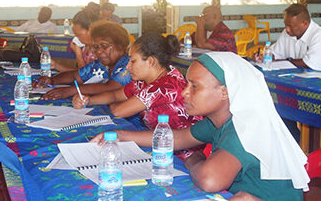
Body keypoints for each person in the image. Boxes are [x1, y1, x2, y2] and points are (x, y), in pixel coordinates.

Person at [91, 52, 309, 201]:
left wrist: (192, 159)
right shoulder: (219, 120)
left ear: (224, 92)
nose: (184, 92)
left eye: (194, 86)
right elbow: (178, 137)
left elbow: (209, 179)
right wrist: (120, 135)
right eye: (187, 84)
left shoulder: (245, 127)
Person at [73, 34, 204, 160]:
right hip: (159, 142)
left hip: (183, 153)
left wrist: (114, 104)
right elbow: (115, 95)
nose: (128, 66)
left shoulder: (165, 85)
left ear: (151, 61)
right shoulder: (143, 81)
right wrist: (88, 100)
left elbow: (118, 111)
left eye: (133, 61)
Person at [34, 21, 132, 100]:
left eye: (104, 46)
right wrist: (52, 80)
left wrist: (71, 91)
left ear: (121, 45)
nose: (99, 51)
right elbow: (75, 76)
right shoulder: (101, 65)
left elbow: (110, 87)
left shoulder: (129, 64)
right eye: (96, 47)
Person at [256, 3, 321, 71]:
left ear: (304, 23)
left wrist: (284, 61)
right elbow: (275, 53)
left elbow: (308, 63)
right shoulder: (287, 33)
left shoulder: (318, 35)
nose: (287, 29)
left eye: (290, 26)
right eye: (286, 25)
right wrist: (264, 57)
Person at [51, 5, 100, 72]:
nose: (76, 39)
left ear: (90, 31)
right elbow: (77, 73)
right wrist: (56, 65)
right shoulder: (86, 48)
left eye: (78, 35)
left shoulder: (101, 51)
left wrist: (78, 55)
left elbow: (85, 76)